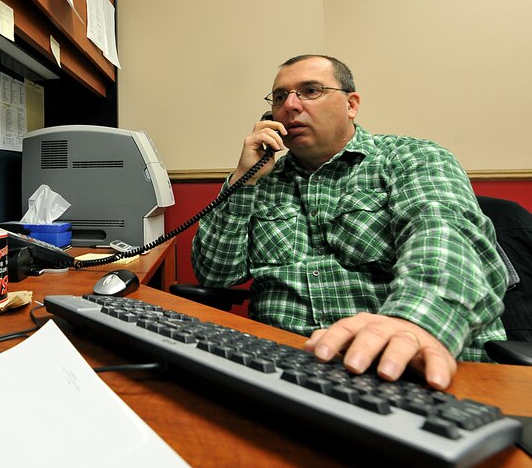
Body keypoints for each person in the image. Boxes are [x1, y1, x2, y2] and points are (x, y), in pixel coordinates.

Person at [191, 54, 508, 390]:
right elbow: (215, 272)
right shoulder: (260, 180)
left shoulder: (412, 158)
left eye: (310, 90)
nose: (291, 106)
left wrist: (413, 323)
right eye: (281, 97)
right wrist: (244, 178)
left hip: (395, 367)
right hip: (282, 367)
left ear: (351, 105)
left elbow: (443, 240)